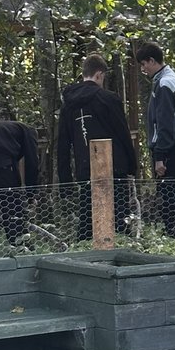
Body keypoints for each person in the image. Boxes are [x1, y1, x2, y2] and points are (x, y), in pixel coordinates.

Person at [57, 52, 139, 239]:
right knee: (119, 218)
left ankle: (85, 250)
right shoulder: (109, 99)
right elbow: (123, 133)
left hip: (86, 168)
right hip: (114, 168)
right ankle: (121, 248)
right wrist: (131, 166)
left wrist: (66, 182)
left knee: (88, 217)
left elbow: (62, 144)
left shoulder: (68, 105)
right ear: (99, 75)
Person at [135, 42, 175, 242]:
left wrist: (160, 157)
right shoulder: (167, 79)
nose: (143, 69)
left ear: (152, 60)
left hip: (170, 148)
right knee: (172, 196)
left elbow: (164, 123)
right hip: (173, 144)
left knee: (170, 198)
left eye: (144, 64)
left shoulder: (165, 83)